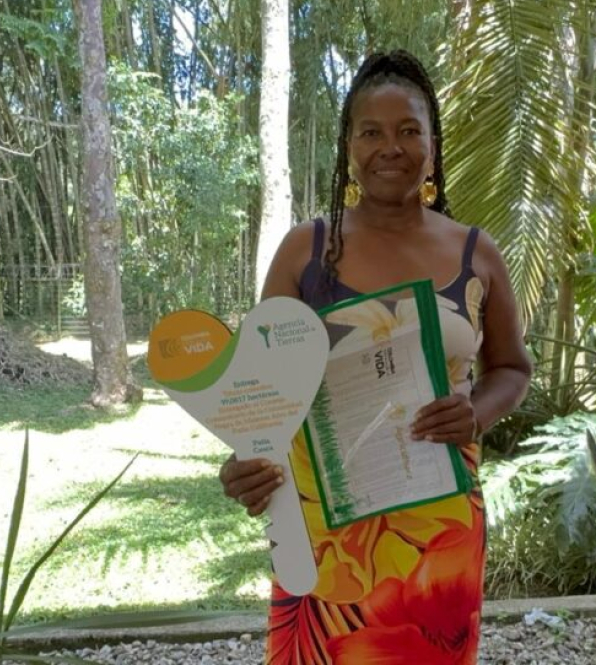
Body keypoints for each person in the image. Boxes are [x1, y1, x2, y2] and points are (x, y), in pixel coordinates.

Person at [221, 49, 531, 664]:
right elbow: (259, 398)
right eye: (371, 132)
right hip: (322, 532)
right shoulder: (302, 254)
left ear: (433, 146)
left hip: (438, 525)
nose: (391, 146)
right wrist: (245, 466)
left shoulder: (478, 254)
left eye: (409, 130)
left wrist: (476, 414)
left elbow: (512, 368)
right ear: (348, 148)